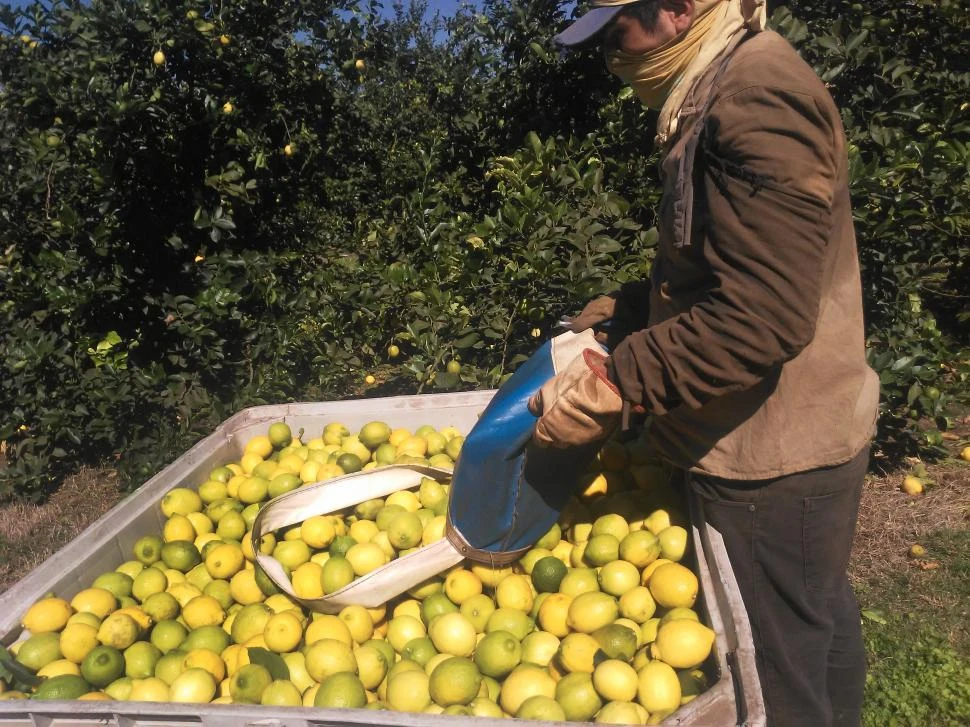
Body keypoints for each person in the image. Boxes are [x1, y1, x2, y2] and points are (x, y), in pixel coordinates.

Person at [528, 2, 880, 725]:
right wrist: (632, 309)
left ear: (677, 10)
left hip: (771, 461)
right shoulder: (720, 84)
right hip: (794, 440)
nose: (611, 58)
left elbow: (761, 315)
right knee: (814, 624)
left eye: (615, 33)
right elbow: (738, 266)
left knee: (775, 683)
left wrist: (621, 382)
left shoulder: (755, 95)